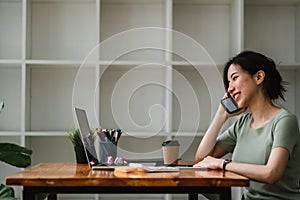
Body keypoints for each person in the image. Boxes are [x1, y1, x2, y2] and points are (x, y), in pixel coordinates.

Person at [194, 51, 300, 200]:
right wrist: (221, 115)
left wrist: (223, 164)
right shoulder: (242, 123)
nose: (229, 88)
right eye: (228, 83)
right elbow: (202, 158)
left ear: (259, 77)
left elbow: (271, 174)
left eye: (234, 78)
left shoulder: (284, 121)